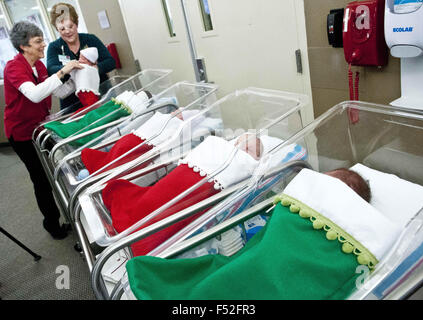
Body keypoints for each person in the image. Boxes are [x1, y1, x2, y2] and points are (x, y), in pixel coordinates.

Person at [124, 168, 401, 300]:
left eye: (327, 178)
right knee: (225, 275)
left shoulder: (348, 230)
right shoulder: (298, 205)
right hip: (250, 266)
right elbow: (264, 243)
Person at [102, 134, 264, 256]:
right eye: (240, 142)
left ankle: (144, 228)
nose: (241, 147)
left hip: (193, 192)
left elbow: (250, 167)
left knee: (166, 212)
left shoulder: (245, 164)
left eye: (250, 150)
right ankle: (140, 215)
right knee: (155, 197)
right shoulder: (219, 148)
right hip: (175, 184)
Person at [3, 21, 83, 239]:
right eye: (38, 42)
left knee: (59, 171)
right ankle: (51, 222)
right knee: (41, 178)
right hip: (21, 134)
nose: (43, 45)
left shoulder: (38, 66)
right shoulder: (13, 67)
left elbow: (59, 92)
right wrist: (62, 71)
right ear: (23, 46)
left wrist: (76, 76)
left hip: (41, 128)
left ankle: (74, 214)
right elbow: (36, 94)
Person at [47, 2, 116, 113]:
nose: (68, 31)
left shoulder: (90, 40)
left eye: (70, 26)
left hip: (100, 95)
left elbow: (111, 62)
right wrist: (69, 68)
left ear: (76, 23)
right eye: (62, 29)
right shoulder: (54, 47)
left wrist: (94, 68)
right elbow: (51, 69)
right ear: (57, 29)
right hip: (72, 104)